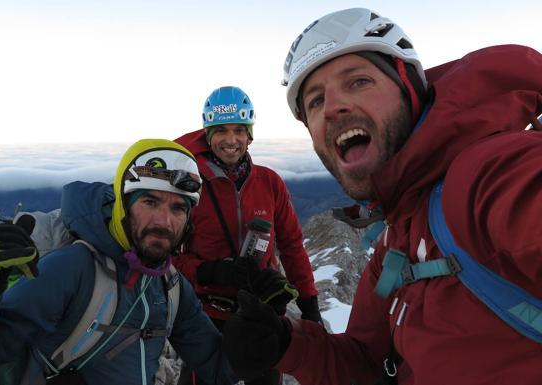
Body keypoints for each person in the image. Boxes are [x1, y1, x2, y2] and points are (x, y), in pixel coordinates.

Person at [222, 8, 542, 385]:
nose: (334, 106)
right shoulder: (395, 242)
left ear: (410, 88)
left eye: (358, 81)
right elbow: (367, 361)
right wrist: (287, 345)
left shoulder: (488, 176)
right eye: (315, 101)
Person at [0, 139, 237, 385]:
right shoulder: (73, 268)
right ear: (123, 206)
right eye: (150, 202)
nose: (164, 222)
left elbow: (217, 366)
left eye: (179, 208)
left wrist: (259, 343)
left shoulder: (169, 286)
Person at [173, 86, 322, 385]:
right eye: (221, 131)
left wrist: (310, 308)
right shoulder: (189, 183)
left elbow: (292, 245)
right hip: (206, 316)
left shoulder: (269, 182)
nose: (231, 140)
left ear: (250, 135)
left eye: (240, 130)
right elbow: (169, 258)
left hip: (262, 315)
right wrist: (209, 271)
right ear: (208, 134)